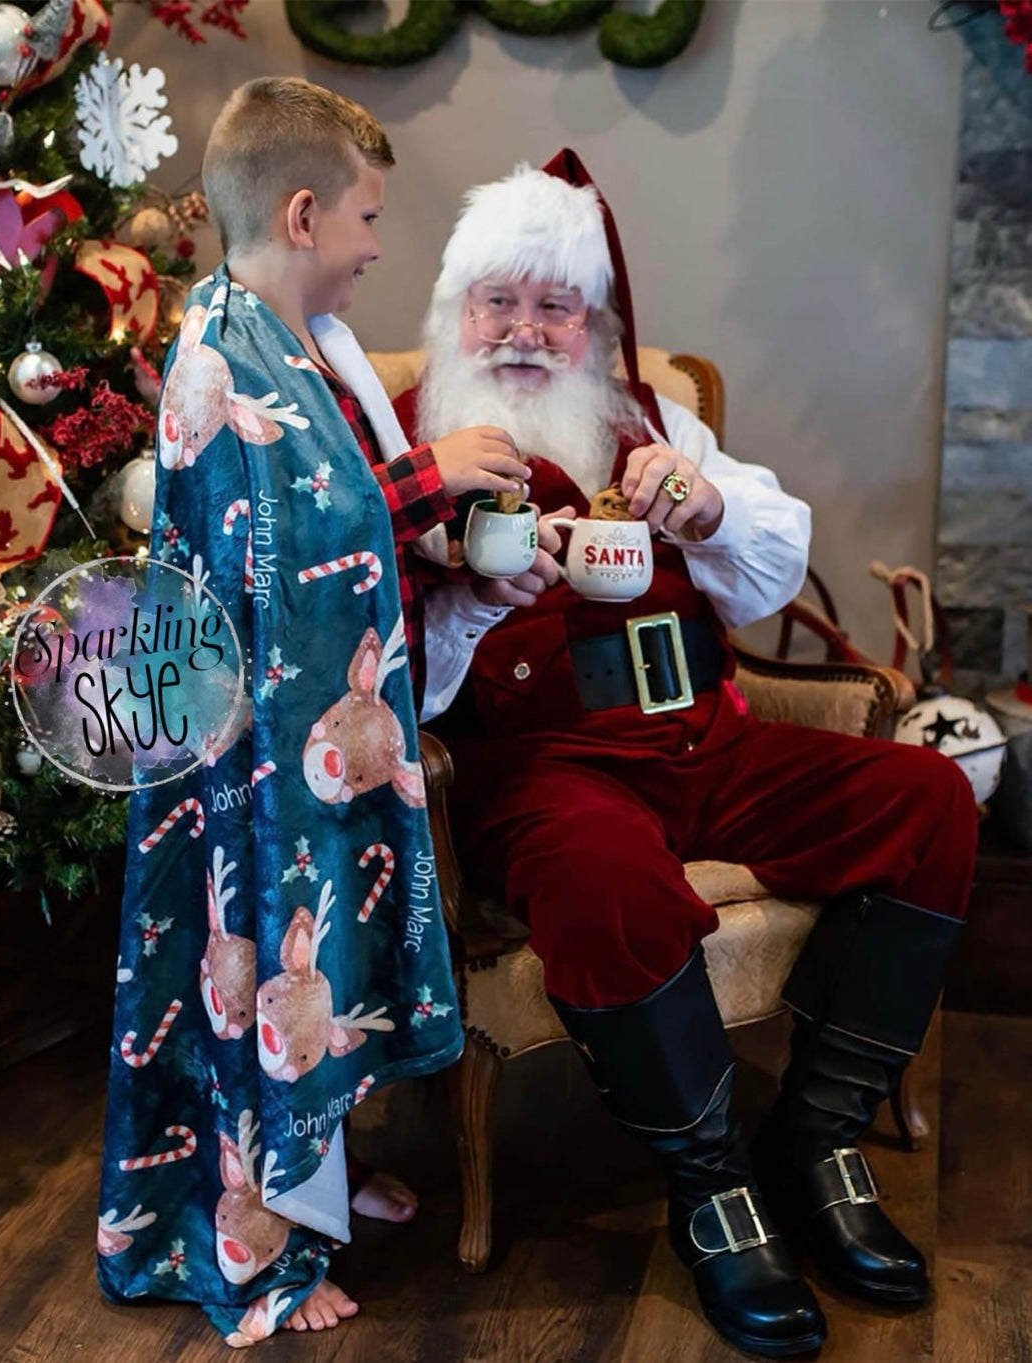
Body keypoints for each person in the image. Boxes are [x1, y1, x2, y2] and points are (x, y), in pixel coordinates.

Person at [395, 152, 977, 1359]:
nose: (524, 328)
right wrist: (476, 586)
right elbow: (382, 674)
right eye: (498, 301)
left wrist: (703, 506)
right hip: (545, 766)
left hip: (710, 737)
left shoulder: (655, 422)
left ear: (594, 324)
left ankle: (815, 1144)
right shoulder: (410, 454)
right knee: (604, 880)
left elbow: (764, 564)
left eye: (554, 304)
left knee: (927, 795)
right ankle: (713, 1187)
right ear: (458, 314)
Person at [97, 78, 534, 1347]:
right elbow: (276, 557)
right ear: (301, 213)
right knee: (258, 968)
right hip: (249, 758)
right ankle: (263, 1255)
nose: (375, 245)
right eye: (365, 217)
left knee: (315, 961)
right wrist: (429, 474)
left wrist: (439, 518)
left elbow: (334, 522)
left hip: (304, 742)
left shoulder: (287, 344)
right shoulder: (220, 355)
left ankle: (316, 1184)